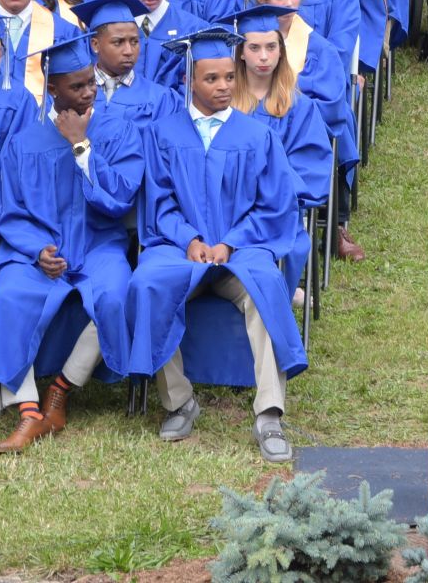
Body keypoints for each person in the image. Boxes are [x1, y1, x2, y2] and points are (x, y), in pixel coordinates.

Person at [125, 28, 307, 460]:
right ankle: (179, 400)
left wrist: (230, 242)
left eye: (228, 77)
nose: (223, 86)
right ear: (190, 80)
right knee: (149, 282)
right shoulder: (163, 134)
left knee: (266, 286)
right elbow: (159, 199)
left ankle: (269, 413)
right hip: (180, 249)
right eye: (211, 79)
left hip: (242, 251)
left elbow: (273, 206)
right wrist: (189, 239)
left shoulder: (257, 136)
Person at [0, 36, 140, 452]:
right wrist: (37, 250)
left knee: (115, 296)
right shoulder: (24, 142)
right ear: (53, 89)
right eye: (77, 86)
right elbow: (10, 210)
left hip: (98, 244)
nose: (88, 92)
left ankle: (61, 388)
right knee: (8, 296)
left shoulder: (117, 130)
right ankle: (29, 410)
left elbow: (120, 197)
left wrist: (81, 146)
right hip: (39, 251)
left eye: (91, 82)